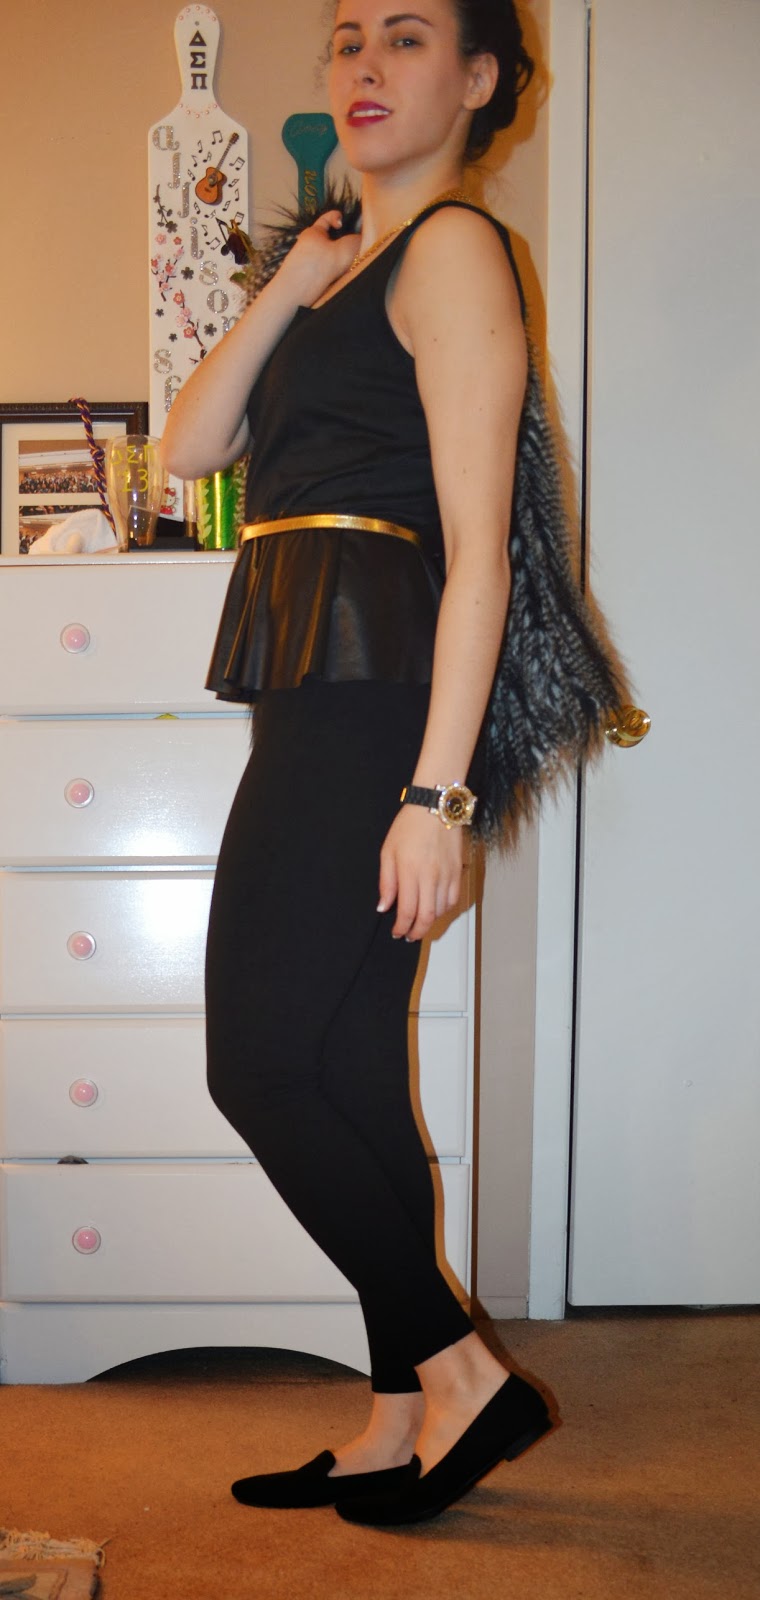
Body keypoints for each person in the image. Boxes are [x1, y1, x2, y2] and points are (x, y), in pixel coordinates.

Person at [161, 0, 559, 1528]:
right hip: (318, 687)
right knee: (338, 1067)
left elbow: (480, 553)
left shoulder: (455, 251)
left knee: (256, 1064)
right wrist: (290, 281)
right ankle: (397, 1416)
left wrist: (436, 794)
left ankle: (460, 1374)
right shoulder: (343, 270)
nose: (366, 66)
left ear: (478, 78)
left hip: (374, 702)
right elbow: (192, 447)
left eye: (407, 37)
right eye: (346, 40)